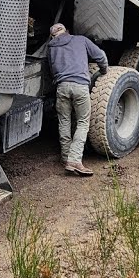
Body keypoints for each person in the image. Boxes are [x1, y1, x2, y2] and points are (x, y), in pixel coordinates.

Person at [45, 23, 108, 176]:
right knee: (82, 122)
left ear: (53, 36)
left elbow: (51, 69)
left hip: (62, 87)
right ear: (67, 31)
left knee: (64, 121)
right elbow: (100, 56)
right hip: (80, 86)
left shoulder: (51, 48)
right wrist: (103, 70)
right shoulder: (81, 40)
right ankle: (74, 159)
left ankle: (66, 157)